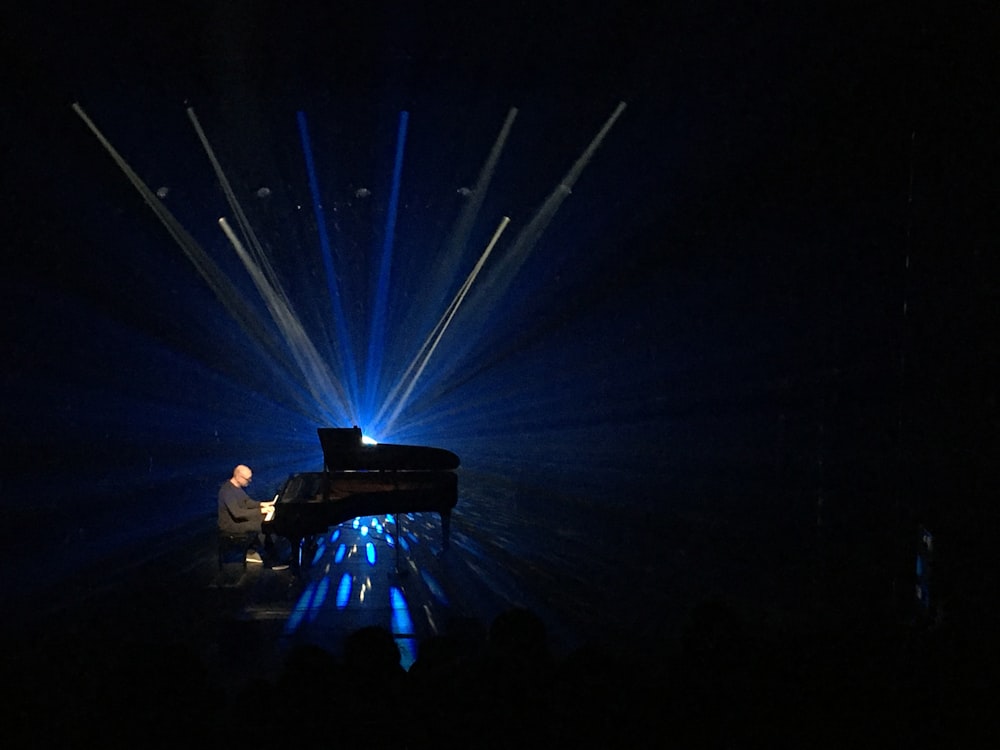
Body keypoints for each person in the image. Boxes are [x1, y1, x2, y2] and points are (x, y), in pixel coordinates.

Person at [218, 464, 279, 565]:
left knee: (268, 522)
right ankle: (271, 559)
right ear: (238, 476)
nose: (249, 481)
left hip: (238, 521)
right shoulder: (227, 491)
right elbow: (237, 513)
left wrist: (263, 504)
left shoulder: (237, 488)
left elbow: (247, 502)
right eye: (247, 479)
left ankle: (254, 550)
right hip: (231, 525)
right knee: (264, 526)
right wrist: (261, 511)